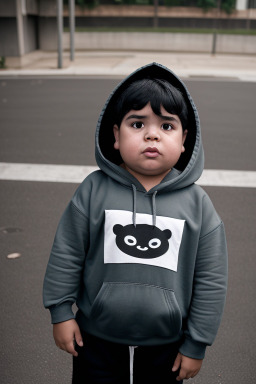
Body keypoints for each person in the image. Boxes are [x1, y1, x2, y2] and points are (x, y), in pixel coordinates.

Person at [43, 63, 228, 384]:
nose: (152, 134)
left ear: (185, 141)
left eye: (167, 126)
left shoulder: (198, 205)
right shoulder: (93, 190)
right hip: (95, 340)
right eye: (138, 123)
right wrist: (60, 312)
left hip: (167, 347)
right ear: (116, 136)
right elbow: (67, 252)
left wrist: (197, 342)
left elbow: (211, 279)